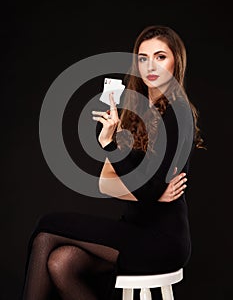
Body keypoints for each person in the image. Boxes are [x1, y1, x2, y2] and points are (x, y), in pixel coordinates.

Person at [20, 25, 204, 300]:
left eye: (160, 56)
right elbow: (107, 183)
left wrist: (116, 152)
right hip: (132, 230)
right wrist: (115, 148)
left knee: (47, 226)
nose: (150, 65)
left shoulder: (179, 115)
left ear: (176, 60)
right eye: (143, 58)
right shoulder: (130, 112)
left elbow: (146, 190)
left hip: (162, 241)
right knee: (61, 262)